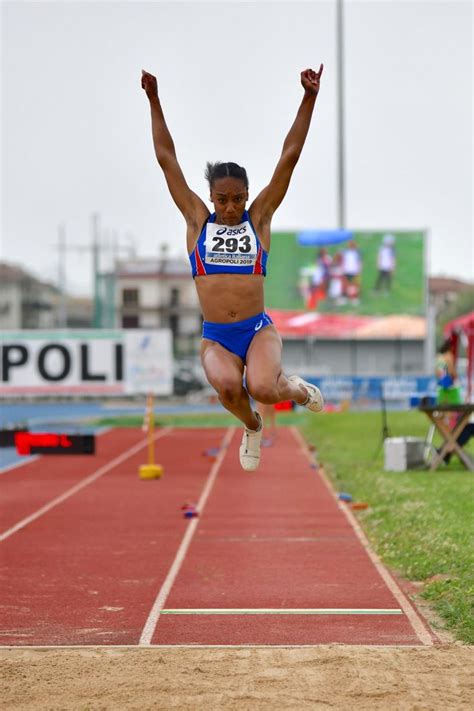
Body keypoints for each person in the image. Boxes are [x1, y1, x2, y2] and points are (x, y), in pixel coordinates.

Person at [141, 67, 325, 471]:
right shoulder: (196, 222)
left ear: (246, 195)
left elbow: (289, 158)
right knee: (227, 387)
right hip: (217, 338)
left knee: (263, 386)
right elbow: (166, 159)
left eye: (237, 199)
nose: (229, 208)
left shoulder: (257, 221)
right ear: (210, 196)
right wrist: (154, 100)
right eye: (222, 199)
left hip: (257, 329)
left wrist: (308, 97)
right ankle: (252, 426)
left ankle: (294, 388)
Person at [435, 338, 463, 405]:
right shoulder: (449, 355)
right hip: (449, 380)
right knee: (455, 402)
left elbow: (436, 371)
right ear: (450, 347)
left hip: (440, 381)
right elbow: (451, 369)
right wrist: (456, 376)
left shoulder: (439, 356)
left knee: (442, 402)